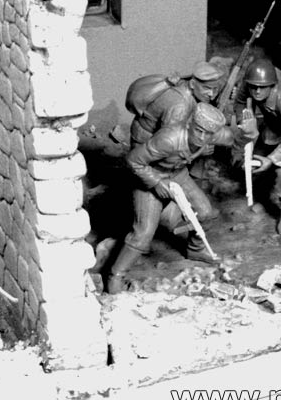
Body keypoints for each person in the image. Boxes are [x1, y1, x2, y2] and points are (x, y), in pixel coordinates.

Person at [105, 103, 257, 294]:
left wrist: (249, 134)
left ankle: (195, 248)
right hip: (152, 176)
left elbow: (237, 142)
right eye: (198, 130)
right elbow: (133, 160)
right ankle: (115, 275)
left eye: (207, 134)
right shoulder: (169, 139)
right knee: (143, 234)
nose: (201, 137)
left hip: (178, 174)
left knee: (206, 212)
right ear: (189, 124)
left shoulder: (213, 134)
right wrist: (156, 182)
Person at [234, 57, 281, 236]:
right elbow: (240, 102)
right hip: (273, 125)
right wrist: (245, 121)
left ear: (272, 85)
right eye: (253, 87)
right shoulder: (251, 82)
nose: (257, 91)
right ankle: (261, 196)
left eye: (262, 87)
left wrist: (271, 159)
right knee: (255, 159)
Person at [127, 57, 230, 147]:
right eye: (207, 88)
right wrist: (199, 152)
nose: (211, 94)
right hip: (147, 145)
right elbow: (170, 142)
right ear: (193, 84)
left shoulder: (184, 83)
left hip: (148, 137)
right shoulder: (180, 106)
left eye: (215, 89)